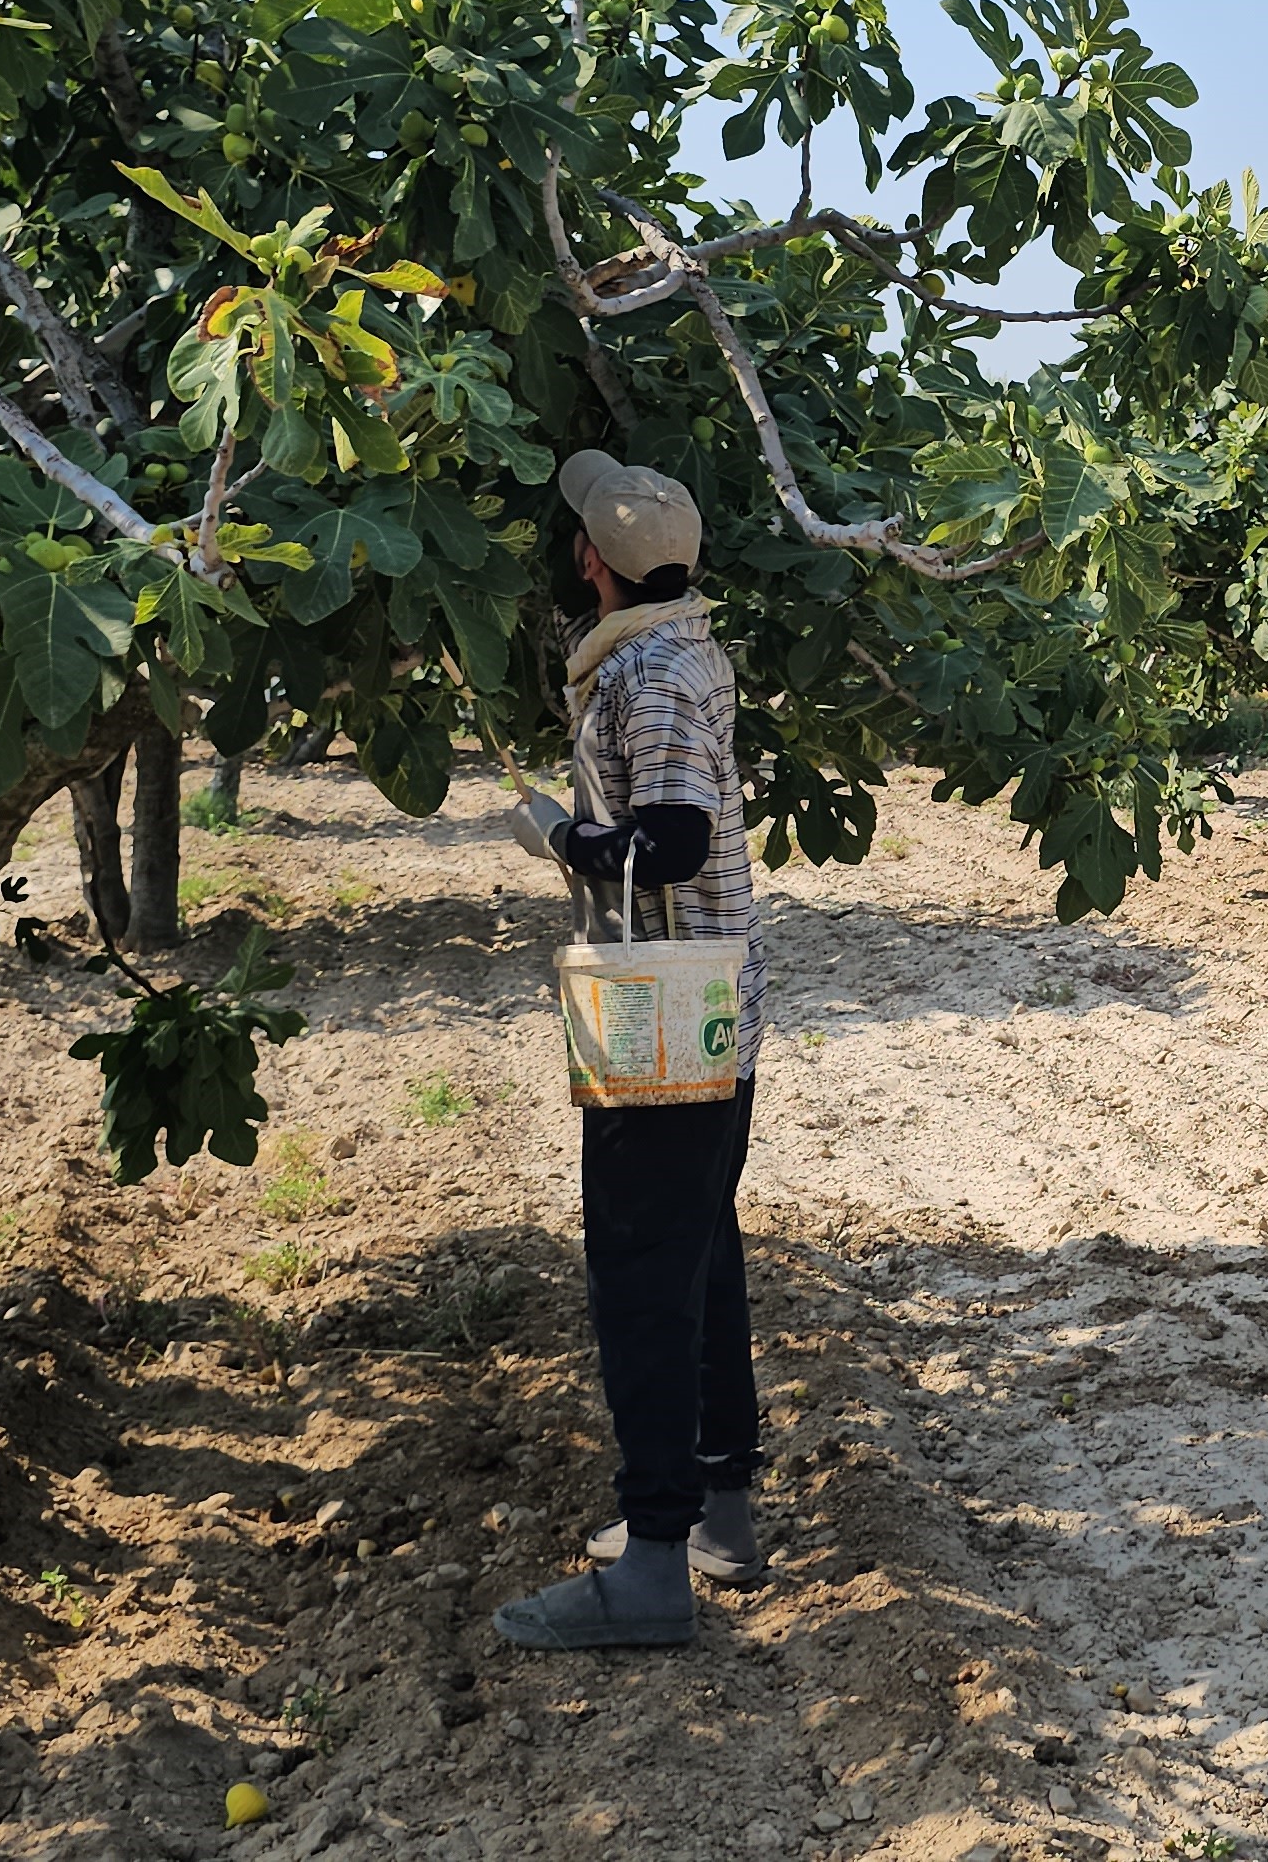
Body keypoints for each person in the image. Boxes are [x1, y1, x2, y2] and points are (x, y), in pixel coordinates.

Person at [490, 450, 770, 1651]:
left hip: (662, 1008)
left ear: (590, 558)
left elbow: (675, 842)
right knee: (699, 1253)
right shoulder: (682, 646)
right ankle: (720, 1514)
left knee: (640, 1274)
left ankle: (653, 1562)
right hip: (712, 1000)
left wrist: (564, 838)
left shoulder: (647, 672)